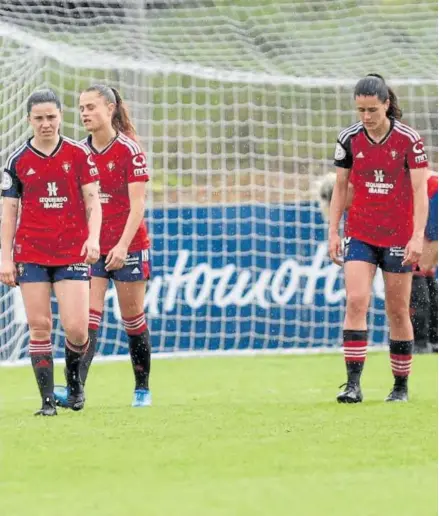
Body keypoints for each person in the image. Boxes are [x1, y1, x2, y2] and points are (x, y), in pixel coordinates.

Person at [0, 88, 102, 416]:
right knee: (40, 325)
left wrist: (94, 239)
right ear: (29, 120)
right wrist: (5, 257)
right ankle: (46, 403)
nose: (46, 124)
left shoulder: (78, 154)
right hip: (31, 253)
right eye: (39, 118)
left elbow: (93, 202)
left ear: (60, 117)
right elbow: (8, 212)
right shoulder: (17, 161)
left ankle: (73, 386)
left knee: (76, 328)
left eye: (51, 117)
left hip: (71, 252)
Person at [328, 73, 429, 403]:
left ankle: (400, 386)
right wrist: (333, 232)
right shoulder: (348, 139)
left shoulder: (408, 140)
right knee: (356, 300)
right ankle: (352, 385)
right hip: (360, 232)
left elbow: (419, 191)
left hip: (398, 235)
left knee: (397, 311)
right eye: (361, 111)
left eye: (372, 110)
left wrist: (417, 237)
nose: (367, 117)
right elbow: (341, 188)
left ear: (387, 105)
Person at [54, 84, 152, 408]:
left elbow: (138, 206)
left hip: (129, 245)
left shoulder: (130, 150)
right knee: (86, 318)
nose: (84, 113)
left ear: (109, 109)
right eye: (81, 108)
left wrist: (123, 246)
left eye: (91, 107)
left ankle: (142, 389)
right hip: (93, 247)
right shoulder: (78, 152)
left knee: (132, 318)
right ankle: (75, 390)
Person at [319, 171, 438, 355]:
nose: (345, 211)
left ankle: (421, 342)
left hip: (429, 196)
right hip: (427, 194)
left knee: (419, 271)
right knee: (422, 272)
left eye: (343, 207)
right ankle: (429, 340)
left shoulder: (366, 186)